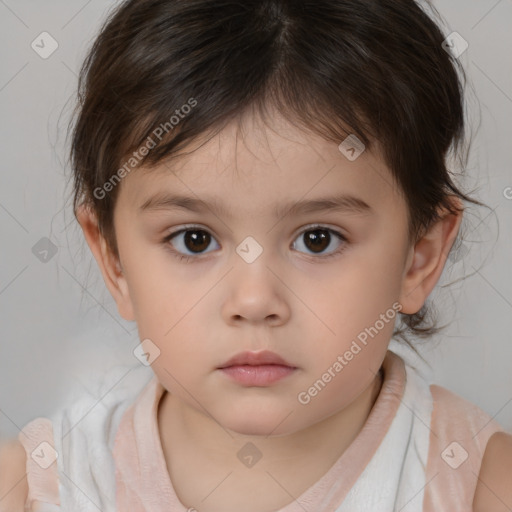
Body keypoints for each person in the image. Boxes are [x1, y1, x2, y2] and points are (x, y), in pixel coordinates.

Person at [1, 0, 511, 510]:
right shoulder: (38, 487)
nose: (253, 301)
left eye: (318, 239)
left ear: (418, 257)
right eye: (194, 240)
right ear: (114, 260)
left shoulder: (480, 486)